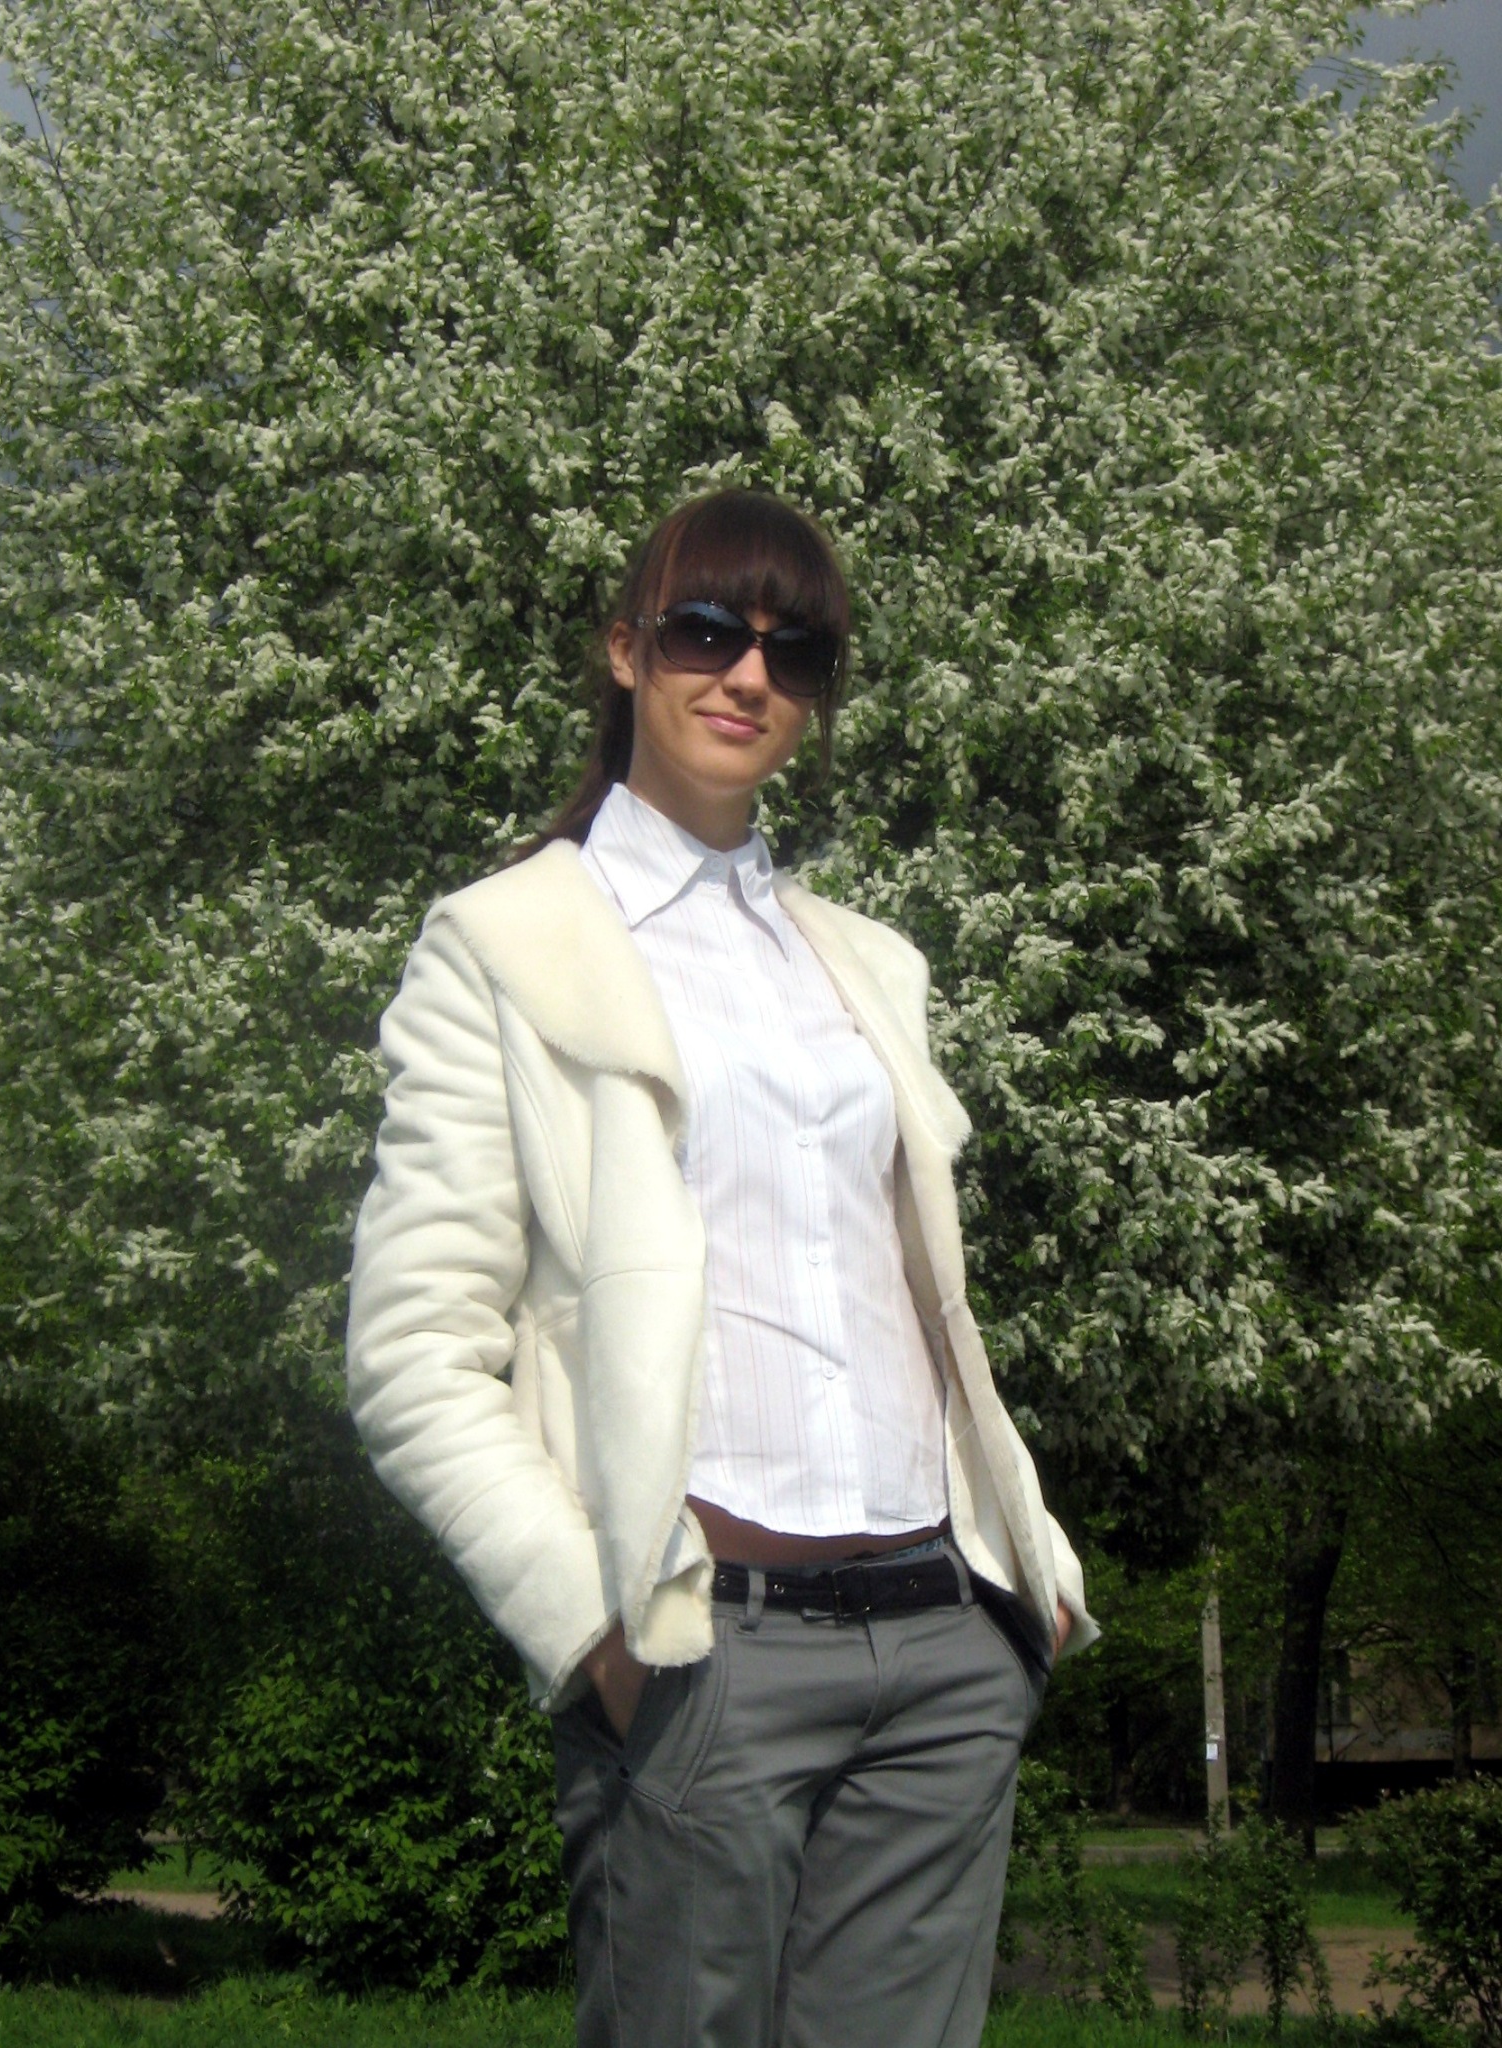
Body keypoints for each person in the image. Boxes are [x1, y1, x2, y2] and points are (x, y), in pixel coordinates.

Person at [346, 488, 1094, 2048]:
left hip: (941, 1646)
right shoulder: (503, 946)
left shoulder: (868, 962)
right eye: (706, 632)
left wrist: (1014, 1587)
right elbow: (412, 1352)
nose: (749, 675)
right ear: (627, 652)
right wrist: (595, 1634)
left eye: (794, 651)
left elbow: (906, 1297)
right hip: (702, 1657)